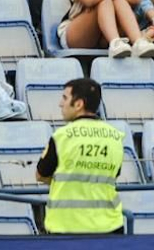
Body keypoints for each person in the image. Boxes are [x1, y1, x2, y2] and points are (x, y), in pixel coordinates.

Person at [37, 78, 126, 235]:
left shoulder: (62, 136)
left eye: (65, 98)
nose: (60, 103)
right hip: (110, 227)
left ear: (78, 104)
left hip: (66, 228)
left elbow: (41, 175)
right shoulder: (115, 137)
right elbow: (112, 175)